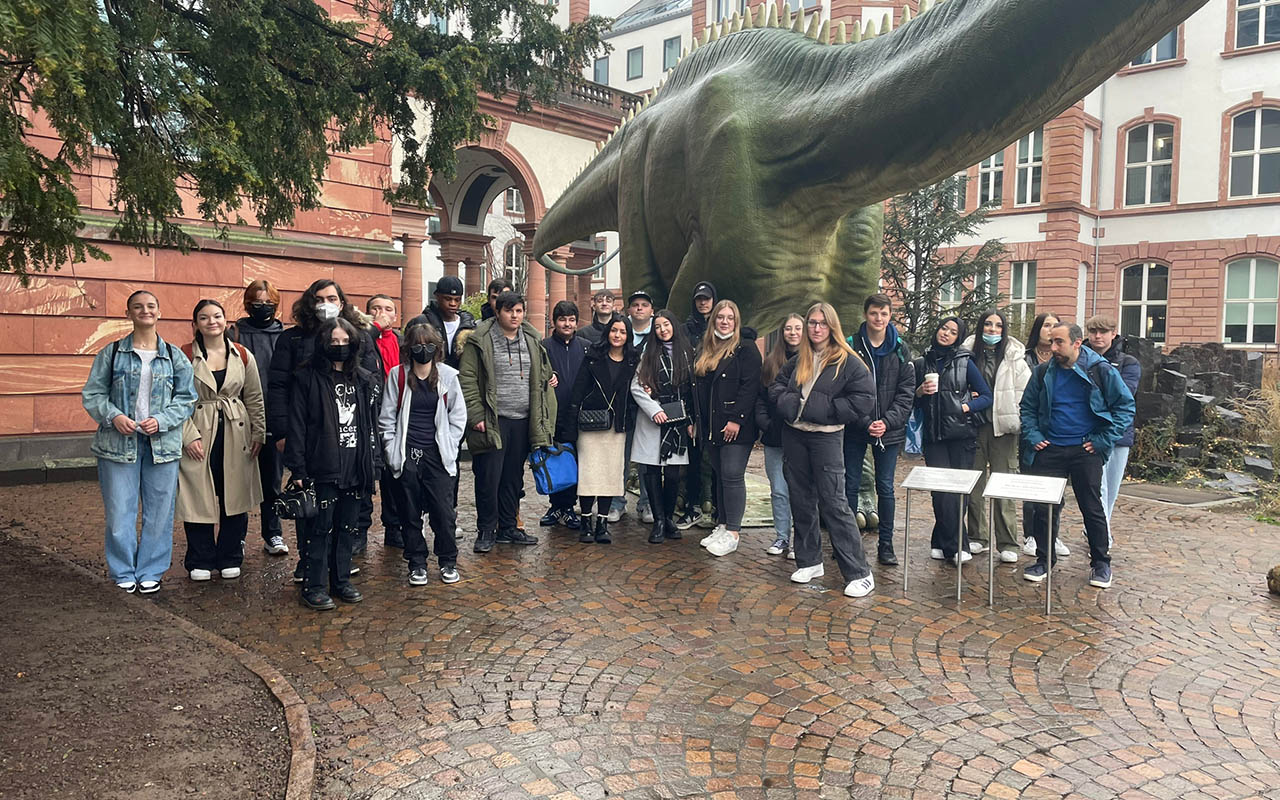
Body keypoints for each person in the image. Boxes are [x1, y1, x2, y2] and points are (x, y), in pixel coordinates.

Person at [81, 290, 197, 594]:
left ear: (159, 312)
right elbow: (93, 394)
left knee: (160, 512)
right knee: (120, 511)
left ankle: (151, 570)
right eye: (138, 307)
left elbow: (187, 399)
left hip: (162, 445)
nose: (144, 311)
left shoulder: (174, 356)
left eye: (150, 306)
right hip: (117, 445)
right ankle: (122, 570)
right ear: (128, 313)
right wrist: (113, 416)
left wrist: (162, 420)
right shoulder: (113, 353)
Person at [268, 279, 380, 583]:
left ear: (341, 302)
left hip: (349, 439)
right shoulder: (292, 340)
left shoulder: (360, 337)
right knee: (313, 506)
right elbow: (279, 388)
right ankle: (310, 564)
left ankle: (338, 567)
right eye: (319, 299)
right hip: (309, 431)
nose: (325, 304)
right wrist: (282, 432)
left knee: (346, 510)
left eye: (331, 298)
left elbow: (370, 387)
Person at [769, 302, 877, 598]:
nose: (816, 328)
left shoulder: (848, 361)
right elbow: (777, 387)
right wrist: (789, 406)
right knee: (801, 499)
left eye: (822, 323)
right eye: (812, 323)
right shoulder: (800, 358)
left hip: (826, 439)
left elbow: (863, 398)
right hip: (795, 436)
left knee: (834, 504)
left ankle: (859, 572)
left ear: (832, 327)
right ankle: (809, 560)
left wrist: (826, 410)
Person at [1019, 322, 1135, 589]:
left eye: (1059, 342)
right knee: (1044, 508)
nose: (1053, 348)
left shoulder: (1099, 370)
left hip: (1086, 449)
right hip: (1050, 449)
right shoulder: (1043, 372)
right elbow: (1027, 408)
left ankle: (1101, 563)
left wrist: (1104, 440)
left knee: (1092, 507)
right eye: (1050, 343)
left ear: (1077, 343)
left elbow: (1125, 407)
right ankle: (1044, 560)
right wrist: (1034, 437)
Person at [284, 317, 382, 610]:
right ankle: (314, 585)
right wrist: (298, 468)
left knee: (347, 527)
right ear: (322, 344)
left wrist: (374, 464)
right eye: (333, 341)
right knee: (319, 529)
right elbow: (297, 425)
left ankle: (341, 580)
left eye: (344, 341)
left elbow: (372, 425)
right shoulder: (305, 377)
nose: (339, 346)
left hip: (355, 465)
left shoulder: (364, 379)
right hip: (322, 465)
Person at [460, 291, 558, 553]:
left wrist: (550, 378)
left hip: (524, 420)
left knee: (513, 479)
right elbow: (468, 379)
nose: (515, 316)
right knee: (489, 478)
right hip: (494, 420)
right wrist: (476, 415)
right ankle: (486, 530)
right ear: (497, 312)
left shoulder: (531, 338)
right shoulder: (480, 340)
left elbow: (544, 371)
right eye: (509, 311)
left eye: (519, 311)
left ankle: (508, 527)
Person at [177, 299, 266, 581]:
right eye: (204, 317)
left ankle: (230, 555)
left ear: (225, 321)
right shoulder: (184, 355)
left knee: (235, 496)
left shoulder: (242, 354)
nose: (211, 322)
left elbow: (254, 396)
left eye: (217, 316)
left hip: (235, 430)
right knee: (197, 496)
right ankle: (199, 558)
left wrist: (259, 432)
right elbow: (175, 398)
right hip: (199, 430)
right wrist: (187, 435)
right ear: (195, 324)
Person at [379, 323, 467, 586]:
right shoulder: (398, 376)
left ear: (437, 348)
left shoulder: (448, 377)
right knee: (409, 512)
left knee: (443, 512)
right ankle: (417, 562)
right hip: (407, 454)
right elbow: (387, 418)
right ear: (409, 349)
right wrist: (392, 449)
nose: (423, 350)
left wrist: (449, 444)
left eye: (429, 345)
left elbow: (458, 416)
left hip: (437, 454)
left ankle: (447, 560)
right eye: (417, 346)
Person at [843, 294, 916, 566]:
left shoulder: (900, 348)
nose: (879, 319)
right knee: (849, 484)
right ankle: (848, 544)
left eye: (884, 314)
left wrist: (887, 421)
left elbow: (906, 392)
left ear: (890, 316)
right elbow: (844, 387)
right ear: (866, 314)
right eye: (874, 313)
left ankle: (886, 544)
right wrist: (864, 422)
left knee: (885, 486)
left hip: (889, 429)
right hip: (856, 427)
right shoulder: (852, 346)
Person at [913, 317, 993, 564]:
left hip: (962, 435)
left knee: (959, 490)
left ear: (959, 337)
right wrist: (919, 392)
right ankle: (958, 545)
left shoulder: (965, 362)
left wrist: (966, 407)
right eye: (943, 328)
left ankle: (940, 540)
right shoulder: (921, 362)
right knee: (941, 491)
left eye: (952, 331)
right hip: (934, 436)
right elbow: (910, 398)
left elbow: (987, 397)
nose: (946, 333)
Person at [962, 309, 1031, 564]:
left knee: (1004, 483)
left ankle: (1008, 541)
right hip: (975, 425)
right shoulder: (967, 354)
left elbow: (1025, 391)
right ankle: (977, 536)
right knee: (975, 484)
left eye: (998, 326)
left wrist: (1017, 416)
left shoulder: (1014, 358)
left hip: (1004, 427)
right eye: (988, 325)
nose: (992, 330)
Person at [693, 300, 761, 557]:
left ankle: (733, 531)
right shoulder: (706, 348)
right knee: (721, 475)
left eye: (729, 318)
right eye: (720, 317)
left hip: (736, 426)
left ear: (736, 321)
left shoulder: (746, 349)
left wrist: (737, 419)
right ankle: (722, 524)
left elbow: (749, 387)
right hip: (713, 425)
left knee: (732, 475)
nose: (724, 321)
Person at [566, 316, 639, 543]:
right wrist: (571, 420)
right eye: (614, 330)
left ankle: (602, 524)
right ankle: (586, 522)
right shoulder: (593, 356)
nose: (617, 335)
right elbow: (578, 389)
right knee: (589, 473)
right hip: (590, 423)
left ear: (628, 336)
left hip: (617, 425)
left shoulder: (633, 360)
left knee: (610, 474)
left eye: (622, 332)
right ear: (608, 332)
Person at [235, 279, 290, 557]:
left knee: (272, 481)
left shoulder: (285, 336)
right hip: (241, 418)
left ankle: (273, 533)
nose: (263, 308)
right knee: (239, 481)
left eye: (269, 303)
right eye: (258, 303)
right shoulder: (235, 334)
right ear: (248, 304)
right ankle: (237, 537)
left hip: (275, 417)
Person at [631, 310, 695, 543]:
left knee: (673, 473)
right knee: (652, 471)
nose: (662, 330)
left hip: (677, 421)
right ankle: (658, 520)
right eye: (657, 327)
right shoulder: (647, 356)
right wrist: (654, 409)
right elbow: (637, 387)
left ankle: (668, 517)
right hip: (653, 421)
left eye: (666, 325)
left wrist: (691, 420)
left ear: (673, 326)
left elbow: (692, 390)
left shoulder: (687, 354)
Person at [1084, 314, 1141, 541]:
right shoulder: (1080, 358)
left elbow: (1124, 395)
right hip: (1089, 431)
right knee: (1097, 486)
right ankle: (1101, 534)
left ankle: (1098, 529)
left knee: (1112, 487)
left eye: (1103, 332)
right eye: (1093, 332)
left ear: (1113, 334)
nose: (1098, 336)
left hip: (1118, 432)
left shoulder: (1128, 362)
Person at [1021, 312, 1067, 558]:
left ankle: (1053, 535)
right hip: (1031, 429)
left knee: (1056, 490)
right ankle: (1031, 534)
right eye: (1046, 325)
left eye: (1054, 326)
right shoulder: (1024, 357)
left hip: (1057, 432)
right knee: (1032, 484)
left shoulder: (1064, 360)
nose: (1050, 330)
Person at [756, 314, 802, 559]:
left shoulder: (812, 361)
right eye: (788, 329)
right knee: (779, 489)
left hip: (802, 437)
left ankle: (800, 538)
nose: (793, 333)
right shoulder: (771, 362)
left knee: (801, 490)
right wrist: (766, 424)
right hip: (775, 437)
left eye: (797, 328)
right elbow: (761, 399)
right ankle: (782, 536)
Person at [609, 290, 656, 522]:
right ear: (628, 310)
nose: (639, 308)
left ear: (651, 310)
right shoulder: (621, 332)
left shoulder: (658, 335)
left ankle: (646, 503)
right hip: (624, 405)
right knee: (622, 456)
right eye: (635, 304)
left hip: (648, 406)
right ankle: (617, 503)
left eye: (644, 305)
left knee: (646, 458)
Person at [542, 300, 588, 530]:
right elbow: (538, 376)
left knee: (574, 462)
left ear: (576, 322)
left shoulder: (586, 347)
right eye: (562, 319)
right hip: (554, 414)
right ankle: (555, 505)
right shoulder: (545, 346)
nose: (567, 324)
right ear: (555, 322)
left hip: (578, 414)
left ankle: (569, 506)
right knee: (556, 460)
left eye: (571, 319)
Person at [405, 275, 476, 369]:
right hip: (429, 379)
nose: (453, 304)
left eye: (457, 300)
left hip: (461, 381)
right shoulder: (420, 323)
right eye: (448, 299)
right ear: (437, 297)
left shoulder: (469, 326)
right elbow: (407, 356)